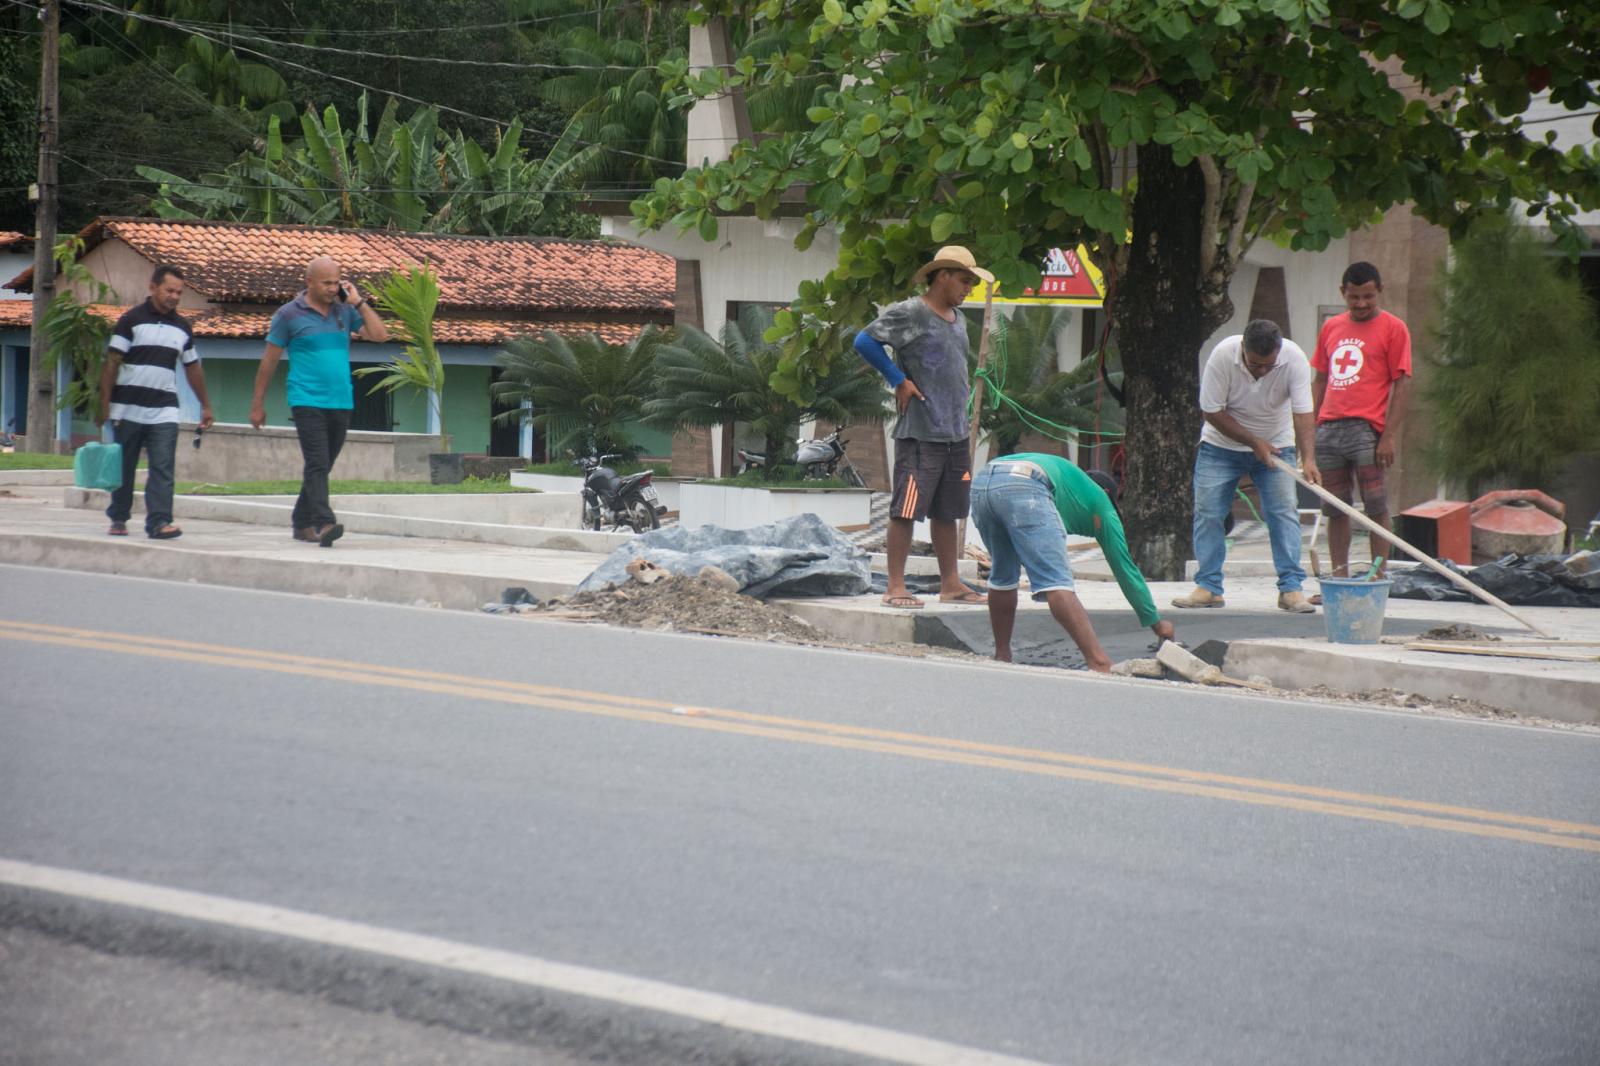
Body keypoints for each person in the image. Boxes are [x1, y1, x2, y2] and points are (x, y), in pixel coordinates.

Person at [853, 245, 991, 609]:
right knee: (905, 510)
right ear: (942, 275)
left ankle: (951, 584)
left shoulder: (957, 318)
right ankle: (895, 587)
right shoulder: (911, 312)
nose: (968, 289)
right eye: (964, 280)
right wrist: (898, 379)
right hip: (921, 432)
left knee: (948, 511)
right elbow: (864, 341)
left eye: (973, 284)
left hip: (955, 433)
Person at [971, 453, 1175, 672]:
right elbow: (1125, 570)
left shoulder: (1070, 485)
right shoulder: (1102, 502)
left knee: (1003, 574)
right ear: (1107, 493)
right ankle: (1099, 661)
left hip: (983, 482)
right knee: (1056, 581)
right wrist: (1157, 623)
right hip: (1026, 485)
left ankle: (1002, 655)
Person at [1173, 319, 1322, 613]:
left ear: (1279, 351)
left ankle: (1291, 589)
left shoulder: (1293, 359)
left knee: (1283, 513)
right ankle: (1209, 587)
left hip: (1277, 445)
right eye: (1256, 365)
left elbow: (1303, 413)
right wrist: (1254, 442)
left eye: (1269, 365)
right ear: (1243, 348)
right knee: (1208, 512)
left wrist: (1309, 458)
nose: (1263, 371)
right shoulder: (1222, 356)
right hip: (1220, 446)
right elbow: (1211, 411)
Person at [249, 256, 388, 547]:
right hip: (306, 398)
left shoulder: (344, 312)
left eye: (336, 282)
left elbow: (380, 335)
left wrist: (358, 302)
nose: (332, 288)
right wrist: (257, 403)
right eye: (327, 282)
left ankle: (301, 523)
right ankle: (323, 522)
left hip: (341, 400)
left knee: (322, 465)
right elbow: (269, 361)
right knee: (316, 461)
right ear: (309, 282)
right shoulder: (288, 315)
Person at [1311, 261, 1411, 596]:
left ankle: (1376, 578)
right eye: (1354, 297)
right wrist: (1310, 433)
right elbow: (1321, 379)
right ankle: (1338, 578)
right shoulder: (1331, 328)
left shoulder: (1395, 328)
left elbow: (1402, 384)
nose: (1361, 304)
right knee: (1336, 508)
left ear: (1380, 291)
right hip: (1328, 430)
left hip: (1367, 431)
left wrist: (1388, 436)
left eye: (1368, 296)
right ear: (1343, 294)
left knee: (1376, 505)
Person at [97, 265, 214, 539]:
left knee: (162, 466)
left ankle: (160, 522)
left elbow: (193, 367)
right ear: (153, 288)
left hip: (164, 410)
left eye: (179, 292)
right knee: (124, 466)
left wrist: (205, 405)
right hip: (126, 409)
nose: (174, 296)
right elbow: (111, 362)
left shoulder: (182, 327)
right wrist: (104, 403)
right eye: (169, 290)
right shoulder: (130, 320)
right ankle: (119, 517)